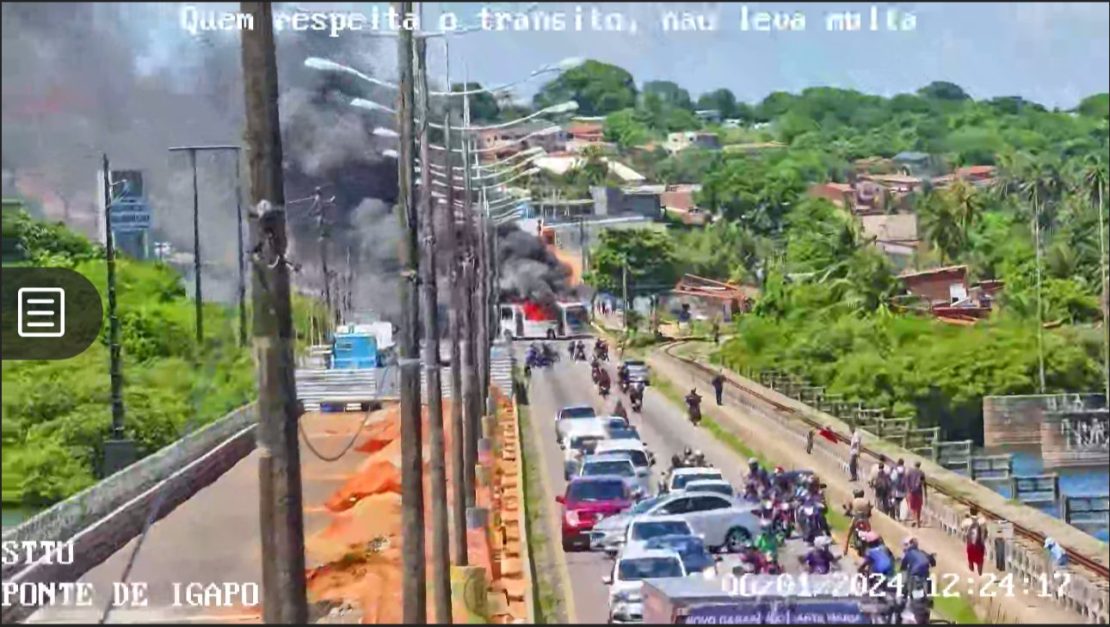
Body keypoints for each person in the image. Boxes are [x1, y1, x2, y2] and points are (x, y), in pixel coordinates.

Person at [961, 507, 987, 576]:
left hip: (970, 544)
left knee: (970, 556)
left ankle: (971, 565)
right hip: (980, 544)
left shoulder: (966, 521)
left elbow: (962, 528)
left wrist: (967, 516)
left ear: (970, 512)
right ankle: (980, 573)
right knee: (980, 559)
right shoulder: (982, 520)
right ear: (977, 513)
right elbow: (985, 526)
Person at [903, 461, 927, 528]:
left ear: (914, 465)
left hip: (911, 492)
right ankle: (918, 521)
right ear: (919, 465)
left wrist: (908, 490)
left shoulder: (909, 472)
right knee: (918, 507)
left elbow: (906, 481)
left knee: (912, 507)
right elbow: (924, 483)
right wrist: (925, 493)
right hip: (919, 492)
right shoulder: (921, 473)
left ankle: (914, 519)